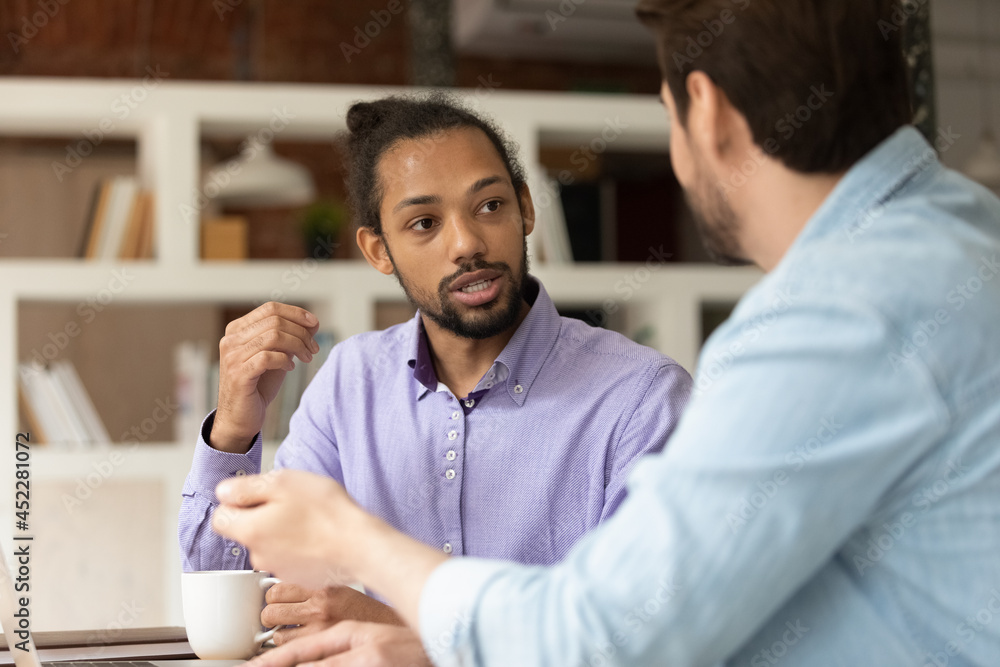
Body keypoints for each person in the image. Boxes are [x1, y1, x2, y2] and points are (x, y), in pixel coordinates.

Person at [211, 0, 1000, 665]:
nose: (465, 241)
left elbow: (606, 635)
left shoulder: (836, 314)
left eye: (668, 115)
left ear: (710, 111)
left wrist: (358, 543)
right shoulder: (960, 239)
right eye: (423, 220)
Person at [179, 94, 692, 642]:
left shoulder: (642, 399)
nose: (467, 243)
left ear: (526, 207)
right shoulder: (349, 382)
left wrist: (404, 631)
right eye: (424, 222)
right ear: (379, 251)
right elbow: (241, 615)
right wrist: (234, 429)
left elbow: (644, 637)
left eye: (490, 206)